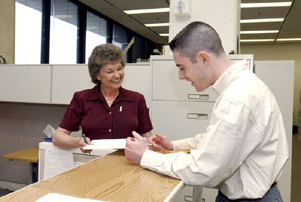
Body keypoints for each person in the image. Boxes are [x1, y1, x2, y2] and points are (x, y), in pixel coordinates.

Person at [125, 21, 288, 201]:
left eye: (182, 67)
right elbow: (217, 140)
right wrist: (173, 146)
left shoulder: (237, 98)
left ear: (204, 58)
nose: (181, 76)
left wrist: (145, 157)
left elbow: (203, 169)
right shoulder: (242, 87)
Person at [53, 43, 153, 152]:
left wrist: (152, 144)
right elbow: (58, 137)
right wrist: (78, 142)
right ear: (97, 75)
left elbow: (147, 137)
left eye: (119, 69)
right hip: (93, 163)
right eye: (110, 71)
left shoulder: (137, 99)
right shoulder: (82, 98)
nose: (117, 75)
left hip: (127, 164)